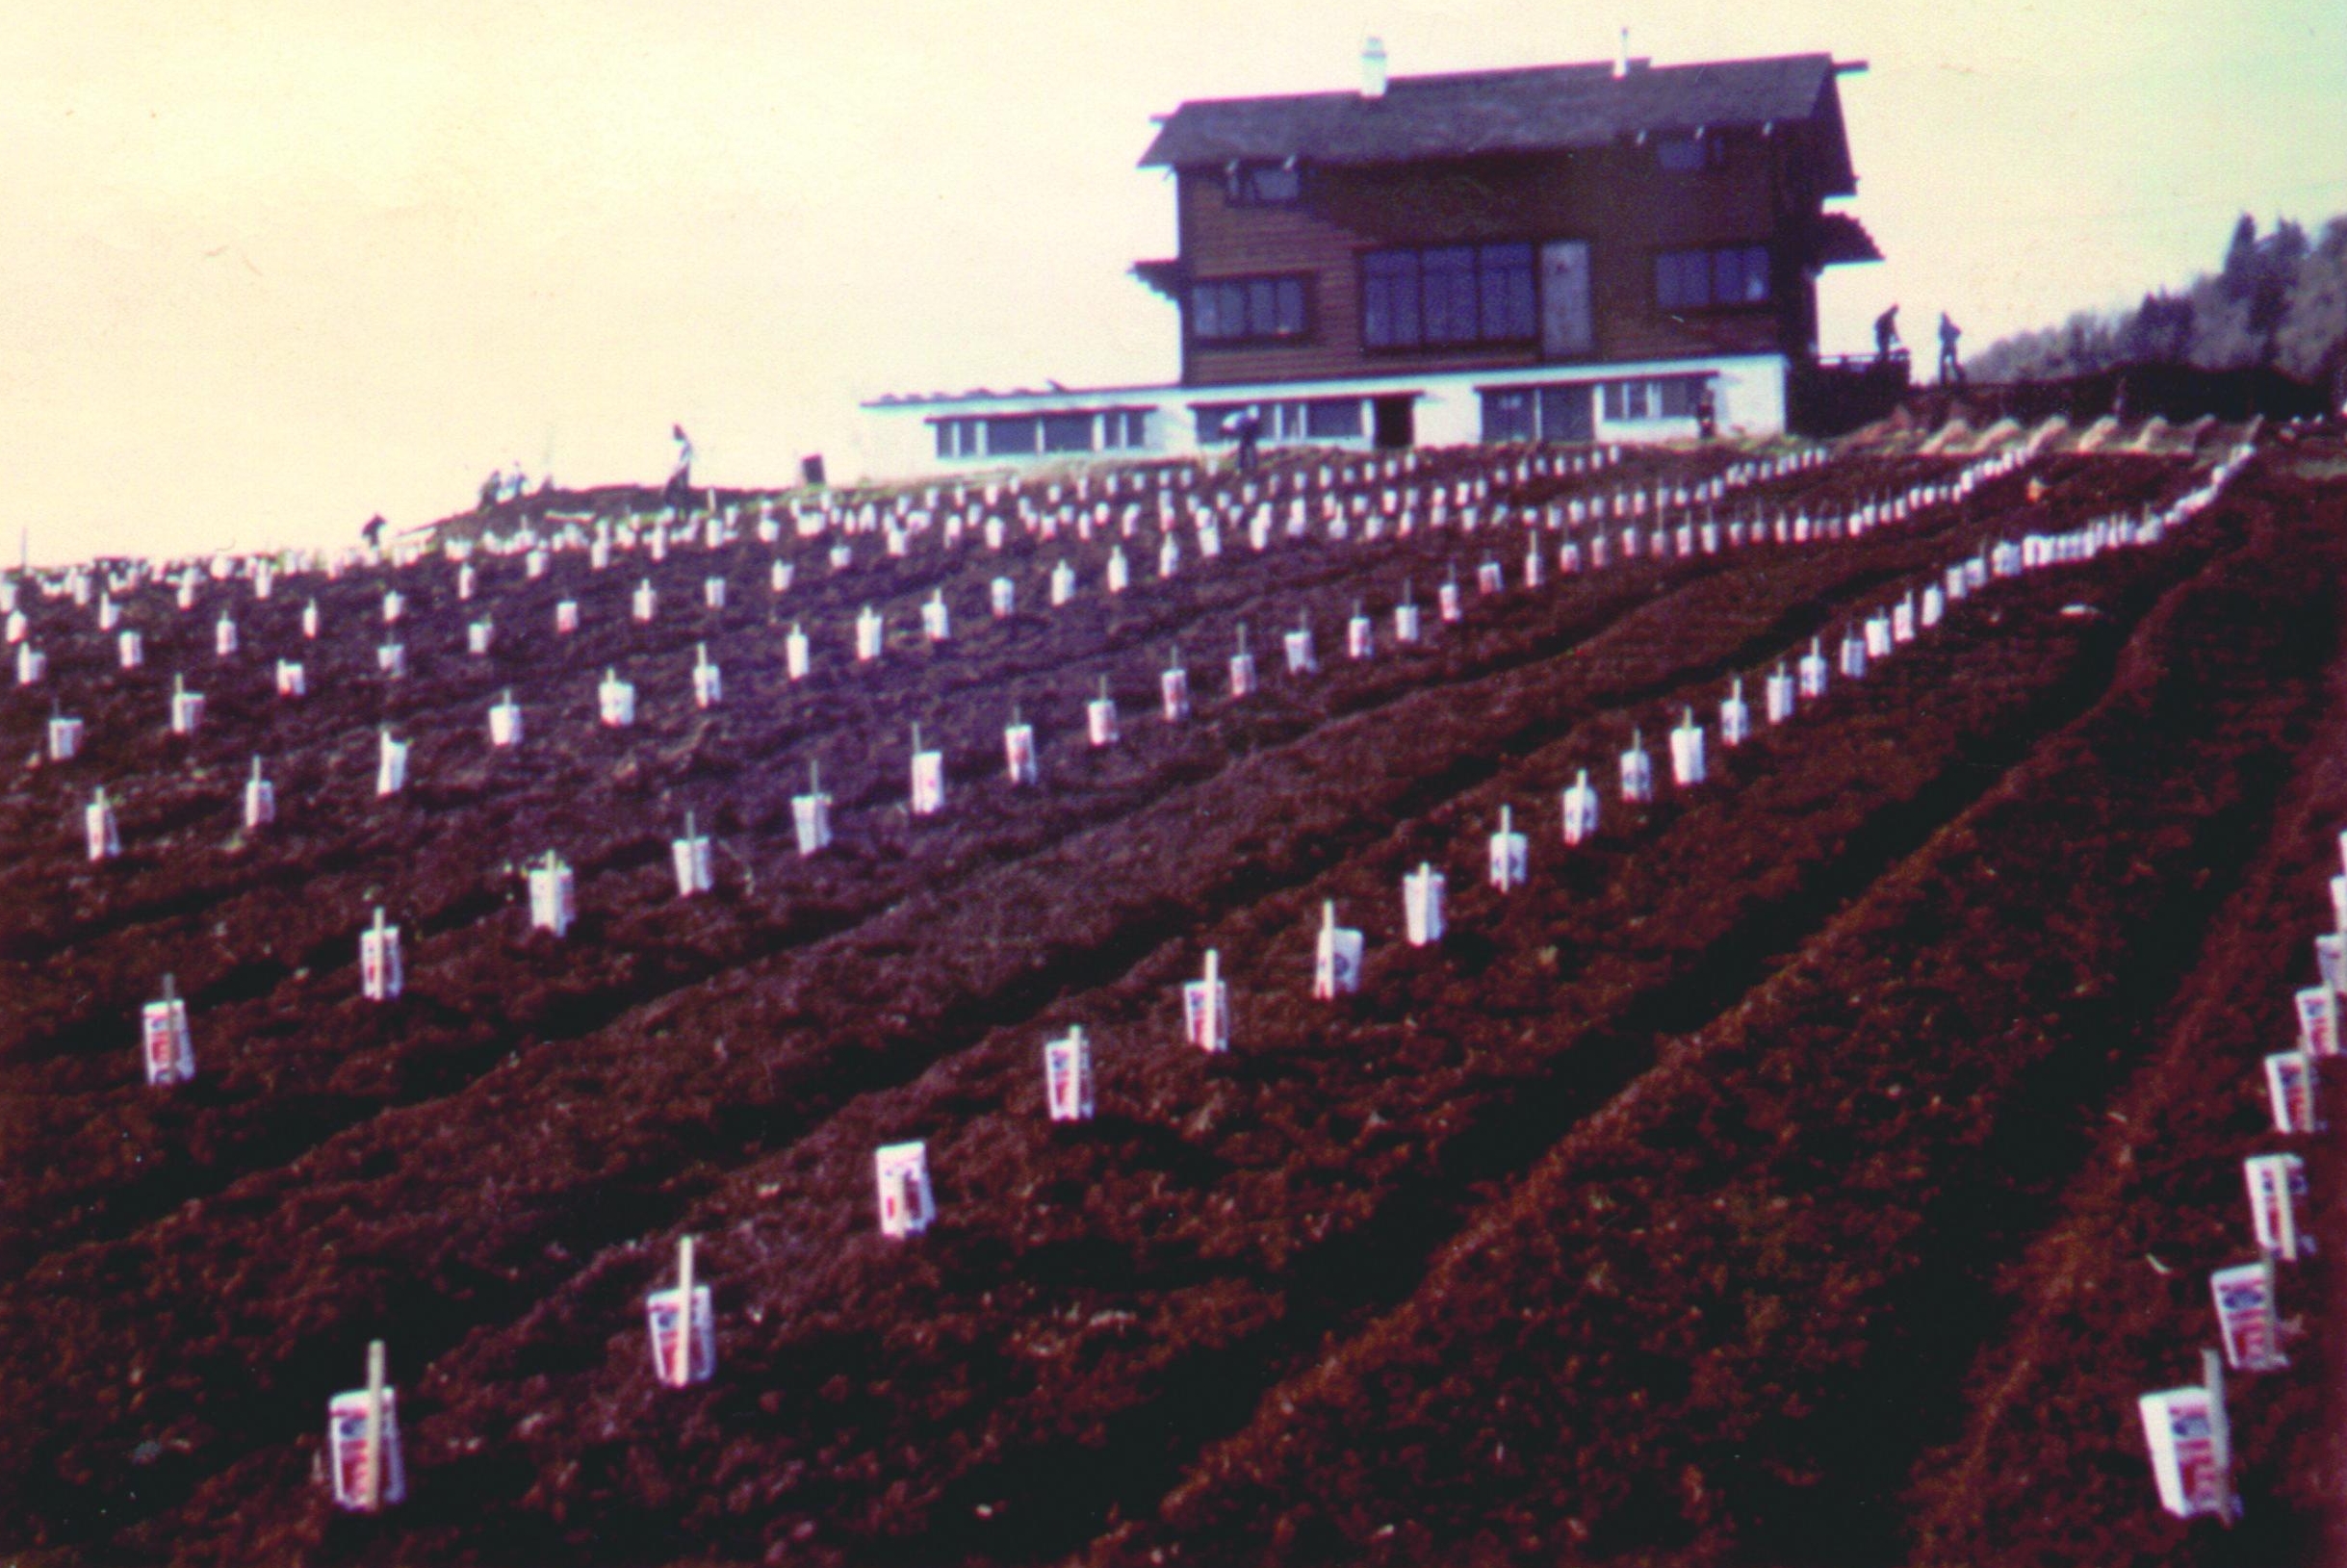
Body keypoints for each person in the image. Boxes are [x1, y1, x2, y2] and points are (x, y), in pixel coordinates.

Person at [1228, 405, 1263, 474]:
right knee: (1242, 451)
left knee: (1253, 450)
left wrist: (1255, 436)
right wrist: (1240, 438)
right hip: (1242, 435)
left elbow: (1258, 430)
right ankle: (1239, 467)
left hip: (1250, 436)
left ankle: (1254, 466)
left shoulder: (1256, 422)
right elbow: (1237, 430)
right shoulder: (1242, 421)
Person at [1938, 313, 1964, 385]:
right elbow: (1941, 336)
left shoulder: (1947, 327)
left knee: (1950, 362)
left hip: (1948, 345)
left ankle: (1959, 377)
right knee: (1949, 362)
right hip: (1949, 345)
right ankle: (1946, 379)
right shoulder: (1947, 326)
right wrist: (1953, 338)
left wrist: (1952, 338)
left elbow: (1959, 332)